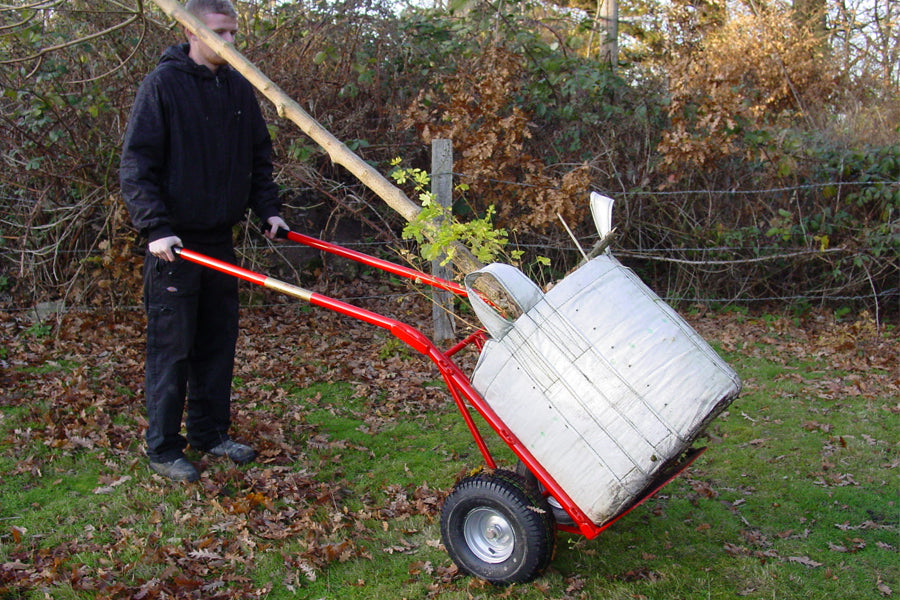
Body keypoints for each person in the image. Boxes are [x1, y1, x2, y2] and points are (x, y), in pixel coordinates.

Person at [120, 0, 288, 482]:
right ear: (191, 30)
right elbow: (137, 166)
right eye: (221, 33)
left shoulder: (238, 87)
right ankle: (163, 448)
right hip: (174, 246)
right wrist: (155, 226)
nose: (231, 43)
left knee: (218, 342)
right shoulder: (163, 86)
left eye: (235, 34)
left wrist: (269, 209)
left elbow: (259, 157)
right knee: (172, 350)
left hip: (219, 242)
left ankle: (210, 434)